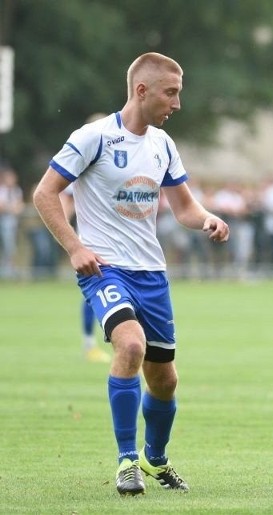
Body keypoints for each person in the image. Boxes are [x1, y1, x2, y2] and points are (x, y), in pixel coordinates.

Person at [32, 52, 230, 496]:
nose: (177, 103)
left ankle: (154, 459)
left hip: (152, 274)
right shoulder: (93, 138)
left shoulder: (162, 145)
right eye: (171, 92)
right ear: (142, 91)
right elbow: (44, 193)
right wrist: (75, 245)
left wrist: (208, 220)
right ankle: (126, 462)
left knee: (166, 379)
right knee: (131, 344)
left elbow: (183, 208)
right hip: (104, 268)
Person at [60, 182, 111, 363]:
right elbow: (64, 200)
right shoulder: (84, 161)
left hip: (126, 247)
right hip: (95, 246)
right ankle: (89, 345)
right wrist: (69, 242)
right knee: (94, 291)